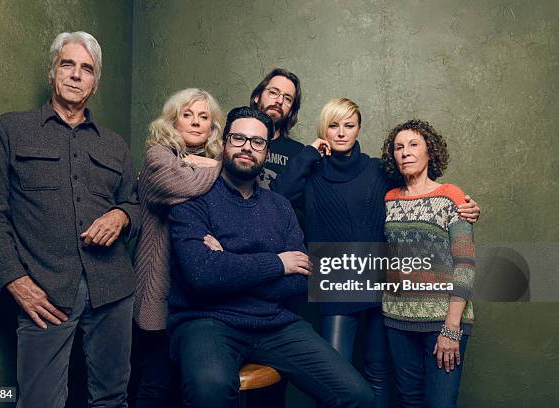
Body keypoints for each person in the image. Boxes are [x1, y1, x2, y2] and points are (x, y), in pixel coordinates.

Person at [271, 98, 480, 407]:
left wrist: (466, 206)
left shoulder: (377, 170)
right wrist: (310, 152)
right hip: (336, 283)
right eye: (333, 125)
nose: (341, 133)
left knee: (379, 372)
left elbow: (424, 190)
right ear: (323, 130)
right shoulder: (312, 173)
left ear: (358, 129)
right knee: (334, 375)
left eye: (349, 125)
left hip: (381, 285)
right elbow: (278, 196)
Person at [167, 106, 374, 408]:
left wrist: (230, 263)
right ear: (223, 143)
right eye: (238, 138)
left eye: (257, 142)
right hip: (206, 320)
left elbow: (301, 281)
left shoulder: (280, 206)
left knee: (357, 395)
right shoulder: (192, 198)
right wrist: (277, 263)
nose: (247, 147)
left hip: (275, 324)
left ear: (266, 152)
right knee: (210, 389)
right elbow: (202, 274)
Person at [0, 32, 139, 407]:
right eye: (67, 64)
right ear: (52, 73)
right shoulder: (10, 130)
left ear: (95, 83)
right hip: (44, 289)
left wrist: (120, 215)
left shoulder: (114, 144)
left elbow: (135, 205)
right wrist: (15, 280)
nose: (76, 75)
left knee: (113, 398)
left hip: (113, 289)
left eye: (87, 69)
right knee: (39, 400)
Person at [133, 88, 224, 407]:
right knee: (156, 381)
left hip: (196, 288)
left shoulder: (211, 163)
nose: (196, 122)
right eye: (188, 115)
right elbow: (181, 184)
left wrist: (203, 162)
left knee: (195, 384)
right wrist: (220, 165)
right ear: (173, 120)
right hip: (160, 283)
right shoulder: (157, 155)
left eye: (204, 117)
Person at [380, 119, 475, 408]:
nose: (405, 152)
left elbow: (465, 264)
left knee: (440, 403)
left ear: (429, 152)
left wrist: (451, 327)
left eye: (413, 144)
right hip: (397, 318)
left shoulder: (452, 197)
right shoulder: (389, 199)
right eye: (398, 147)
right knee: (409, 401)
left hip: (442, 321)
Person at [250, 68, 305, 188]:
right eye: (273, 92)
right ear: (257, 97)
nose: (279, 101)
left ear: (291, 111)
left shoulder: (299, 153)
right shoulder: (235, 141)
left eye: (287, 99)